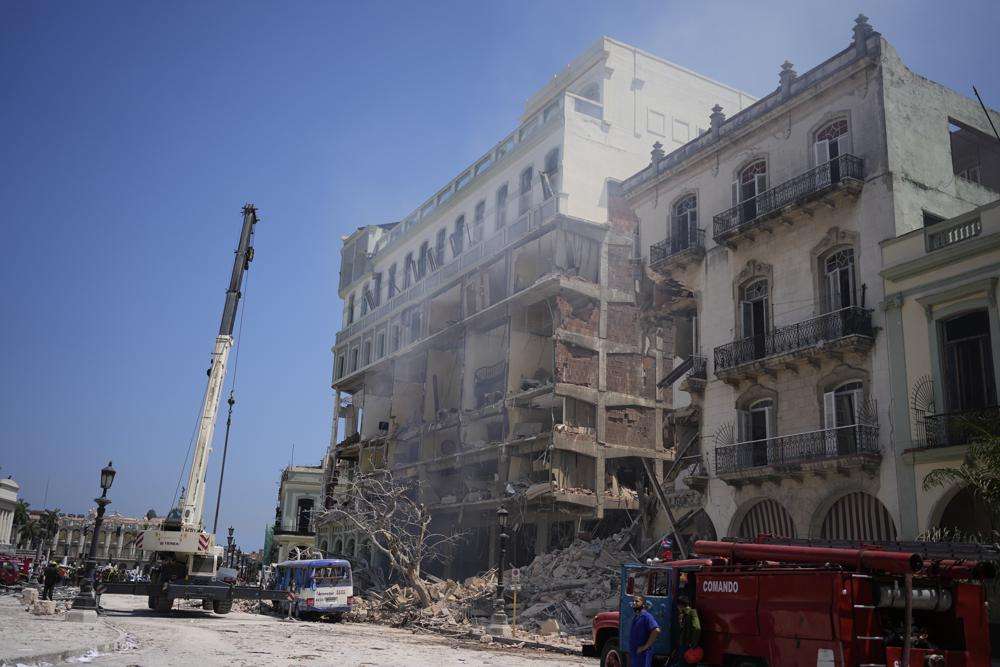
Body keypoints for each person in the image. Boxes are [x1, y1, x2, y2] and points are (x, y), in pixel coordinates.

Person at [629, 595, 660, 667]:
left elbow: (656, 630)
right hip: (635, 654)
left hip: (643, 655)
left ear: (643, 603)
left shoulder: (646, 616)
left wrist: (644, 647)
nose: (634, 603)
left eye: (637, 601)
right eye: (633, 601)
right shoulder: (636, 617)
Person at [676, 595, 702, 664]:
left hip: (687, 645)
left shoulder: (691, 612)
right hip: (684, 644)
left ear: (680, 605)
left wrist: (693, 644)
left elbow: (697, 628)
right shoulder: (683, 614)